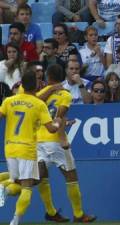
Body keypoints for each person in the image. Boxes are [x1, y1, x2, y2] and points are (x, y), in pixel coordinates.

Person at [35, 64, 97, 223]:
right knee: (71, 177)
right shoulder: (65, 94)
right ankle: (78, 214)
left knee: (41, 177)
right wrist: (61, 130)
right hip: (55, 140)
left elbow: (34, 103)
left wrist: (48, 89)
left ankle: (51, 211)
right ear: (62, 77)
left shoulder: (41, 93)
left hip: (37, 141)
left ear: (48, 76)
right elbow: (59, 115)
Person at [0, 71, 61, 225]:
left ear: (21, 84)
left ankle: (4, 188)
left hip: (10, 148)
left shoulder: (9, 100)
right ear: (36, 85)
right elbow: (52, 129)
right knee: (27, 187)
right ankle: (15, 221)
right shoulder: (39, 104)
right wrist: (59, 122)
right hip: (26, 149)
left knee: (17, 183)